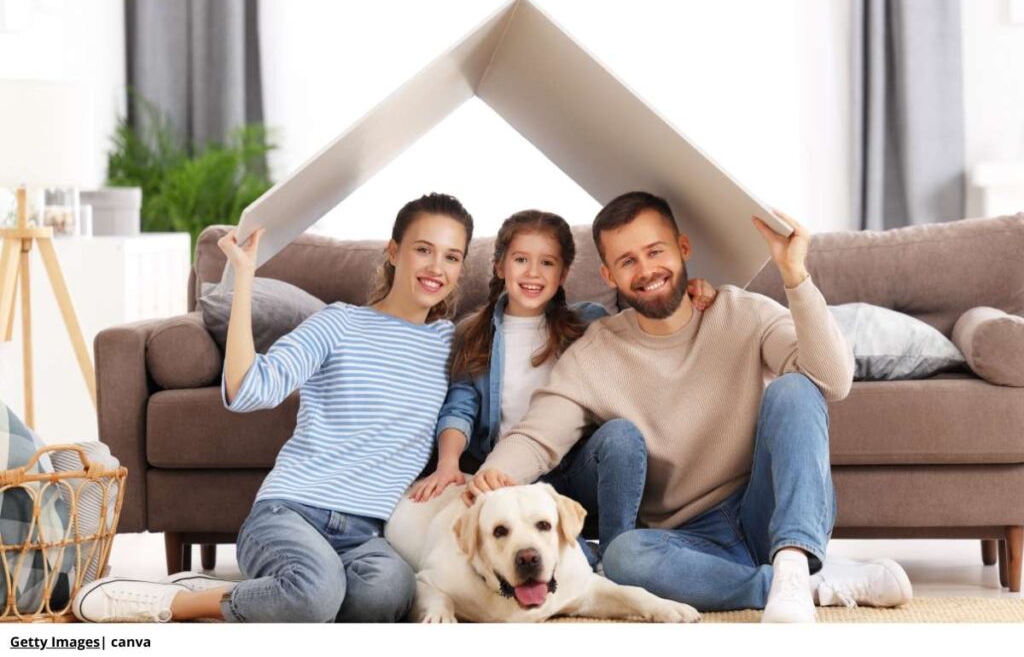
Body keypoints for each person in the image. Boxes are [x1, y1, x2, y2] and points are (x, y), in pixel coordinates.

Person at [466, 191, 913, 623]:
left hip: (762, 508)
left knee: (795, 388)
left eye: (655, 251)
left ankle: (795, 562)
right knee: (624, 556)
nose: (646, 270)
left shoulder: (745, 313)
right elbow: (538, 436)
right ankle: (804, 585)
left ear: (683, 249)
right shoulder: (595, 353)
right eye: (627, 261)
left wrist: (795, 275)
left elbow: (832, 381)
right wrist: (484, 482)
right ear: (609, 276)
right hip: (686, 540)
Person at [73, 193, 475, 623]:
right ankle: (177, 602)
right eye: (423, 250)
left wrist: (450, 459)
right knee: (314, 596)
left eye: (451, 257)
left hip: (368, 533)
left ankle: (270, 593)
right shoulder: (338, 323)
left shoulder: (450, 345)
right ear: (394, 251)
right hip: (290, 511)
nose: (436, 268)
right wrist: (243, 279)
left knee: (386, 597)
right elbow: (250, 389)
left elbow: (462, 407)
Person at [409, 210, 716, 564]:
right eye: (521, 259)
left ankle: (621, 553)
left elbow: (648, 318)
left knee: (621, 434)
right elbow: (459, 408)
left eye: (547, 263)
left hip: (578, 467)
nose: (533, 273)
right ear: (499, 267)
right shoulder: (472, 332)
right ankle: (586, 556)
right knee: (570, 564)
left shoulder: (589, 322)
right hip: (515, 477)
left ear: (564, 273)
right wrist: (448, 463)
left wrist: (690, 291)